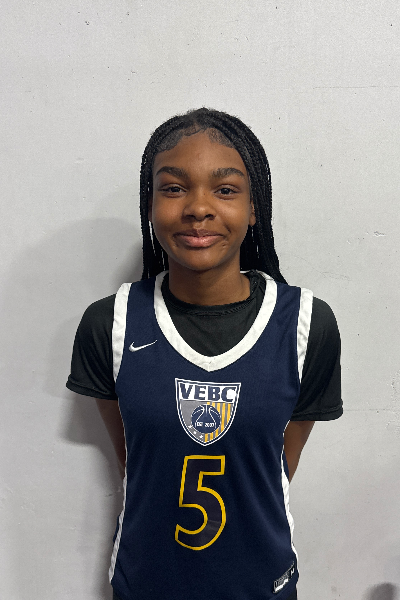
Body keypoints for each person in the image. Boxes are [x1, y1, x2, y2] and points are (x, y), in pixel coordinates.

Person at [66, 108, 342, 600]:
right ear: (150, 204)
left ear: (254, 208)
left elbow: (275, 468)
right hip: (146, 583)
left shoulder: (305, 325)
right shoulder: (110, 323)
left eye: (225, 189)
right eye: (174, 188)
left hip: (260, 584)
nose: (198, 207)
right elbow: (138, 460)